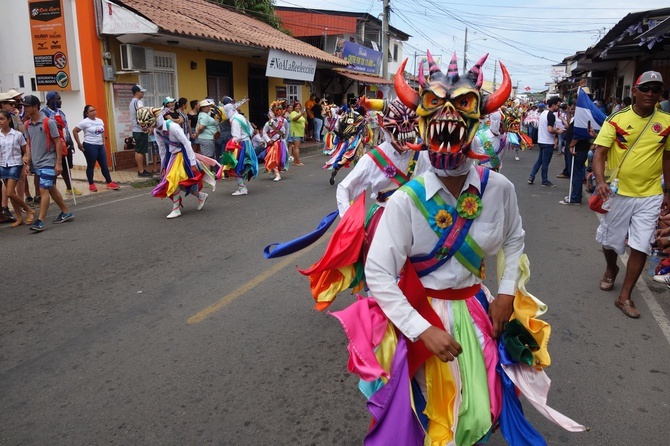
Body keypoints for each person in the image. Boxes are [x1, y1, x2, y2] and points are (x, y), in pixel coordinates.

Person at [331, 53, 585, 444]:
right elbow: (380, 275)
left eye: (462, 104)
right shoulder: (404, 201)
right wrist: (421, 330)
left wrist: (504, 294)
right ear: (421, 122)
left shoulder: (499, 189)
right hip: (421, 313)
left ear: (476, 122)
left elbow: (515, 238)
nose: (447, 118)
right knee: (433, 414)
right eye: (434, 106)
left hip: (478, 310)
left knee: (479, 409)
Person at [592, 71, 670, 318]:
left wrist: (667, 191)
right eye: (645, 88)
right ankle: (611, 268)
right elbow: (600, 153)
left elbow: (667, 158)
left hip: (651, 193)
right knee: (609, 241)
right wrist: (601, 181)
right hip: (619, 193)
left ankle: (624, 296)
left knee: (641, 244)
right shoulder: (617, 118)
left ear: (660, 94)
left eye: (656, 89)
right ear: (634, 91)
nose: (650, 93)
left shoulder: (667, 122)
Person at [137, 107, 209, 219]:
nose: (151, 128)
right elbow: (162, 149)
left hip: (183, 155)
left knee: (172, 179)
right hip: (173, 156)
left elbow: (186, 143)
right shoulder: (157, 131)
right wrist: (163, 167)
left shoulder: (174, 127)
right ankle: (200, 196)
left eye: (151, 124)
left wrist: (192, 163)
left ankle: (176, 209)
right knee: (180, 182)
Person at [22, 95, 74, 232]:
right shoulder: (27, 124)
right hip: (37, 163)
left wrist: (58, 163)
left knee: (43, 189)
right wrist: (28, 160)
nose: (24, 108)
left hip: (48, 161)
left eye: (27, 106)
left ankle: (40, 221)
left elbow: (57, 142)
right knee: (51, 188)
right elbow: (28, 143)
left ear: (35, 107)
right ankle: (66, 212)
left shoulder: (48, 122)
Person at [41, 91, 82, 196]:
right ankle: (51, 189)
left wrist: (71, 142)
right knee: (54, 168)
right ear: (51, 100)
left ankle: (69, 187)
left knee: (66, 167)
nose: (60, 101)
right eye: (58, 99)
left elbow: (66, 129)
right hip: (54, 145)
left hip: (65, 143)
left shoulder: (61, 113)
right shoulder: (44, 113)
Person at [71, 105, 119, 192]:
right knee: (91, 165)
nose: (94, 112)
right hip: (89, 145)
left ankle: (109, 182)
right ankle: (91, 184)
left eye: (94, 110)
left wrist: (103, 141)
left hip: (100, 146)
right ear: (87, 113)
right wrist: (78, 143)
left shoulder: (100, 121)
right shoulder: (84, 122)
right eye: (91, 111)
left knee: (104, 164)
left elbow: (102, 131)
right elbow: (75, 131)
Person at [0, 110, 34, 227]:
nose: (0, 122)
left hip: (15, 164)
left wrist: (27, 161)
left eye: (2, 119)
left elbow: (26, 149)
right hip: (3, 165)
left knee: (9, 193)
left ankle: (28, 210)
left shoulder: (17, 135)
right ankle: (19, 217)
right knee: (12, 193)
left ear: (9, 120)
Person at [558, 108, 596, 205]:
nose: (572, 109)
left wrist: (571, 145)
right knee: (577, 173)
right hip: (580, 149)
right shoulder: (579, 119)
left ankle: (575, 198)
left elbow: (578, 134)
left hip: (577, 150)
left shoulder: (581, 120)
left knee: (576, 174)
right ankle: (576, 195)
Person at [222, 99, 257, 195]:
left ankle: (242, 188)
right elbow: (251, 130)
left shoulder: (235, 121)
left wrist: (228, 147)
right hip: (247, 143)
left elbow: (236, 137)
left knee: (233, 165)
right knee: (239, 165)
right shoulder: (241, 117)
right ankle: (242, 186)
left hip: (240, 145)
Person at [528, 97, 564, 187]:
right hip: (548, 142)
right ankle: (544, 181)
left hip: (541, 140)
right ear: (553, 105)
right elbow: (550, 129)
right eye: (558, 105)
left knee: (540, 160)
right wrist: (558, 131)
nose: (558, 108)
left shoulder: (543, 113)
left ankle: (531, 176)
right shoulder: (551, 115)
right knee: (545, 162)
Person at [261, 100, 289, 182]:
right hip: (273, 143)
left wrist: (285, 139)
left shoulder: (284, 121)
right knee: (273, 157)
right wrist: (268, 140)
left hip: (281, 142)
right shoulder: (269, 123)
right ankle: (277, 174)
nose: (278, 112)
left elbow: (287, 130)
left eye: (280, 110)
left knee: (279, 159)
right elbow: (264, 132)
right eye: (276, 110)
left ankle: (274, 170)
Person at [129, 85, 152, 177]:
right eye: (141, 92)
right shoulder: (137, 102)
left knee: (138, 150)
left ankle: (140, 169)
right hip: (139, 130)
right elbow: (141, 115)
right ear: (137, 92)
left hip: (137, 129)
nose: (143, 93)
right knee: (140, 151)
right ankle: (141, 171)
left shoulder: (133, 102)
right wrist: (145, 127)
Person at [288, 102, 307, 166]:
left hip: (300, 132)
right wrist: (301, 114)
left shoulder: (299, 113)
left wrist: (304, 132)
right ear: (294, 107)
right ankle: (297, 162)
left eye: (299, 106)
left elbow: (303, 122)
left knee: (297, 147)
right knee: (296, 147)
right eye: (296, 106)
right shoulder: (293, 113)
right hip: (295, 132)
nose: (298, 107)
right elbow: (294, 119)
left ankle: (296, 161)